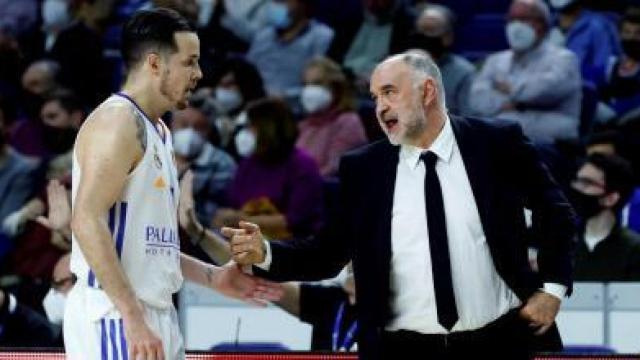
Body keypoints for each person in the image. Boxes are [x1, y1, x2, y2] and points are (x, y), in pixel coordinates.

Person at [223, 51, 577, 360]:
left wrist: (553, 290)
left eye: (389, 92)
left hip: (498, 341)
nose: (379, 107)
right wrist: (266, 254)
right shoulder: (363, 169)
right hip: (402, 349)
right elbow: (328, 252)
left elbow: (555, 212)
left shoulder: (496, 143)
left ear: (427, 92)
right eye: (375, 96)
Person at [64, 9, 281, 360]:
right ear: (154, 63)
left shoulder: (161, 131)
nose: (199, 73)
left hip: (153, 313)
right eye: (189, 62)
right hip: (116, 316)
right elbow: (86, 220)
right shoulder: (117, 121)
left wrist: (214, 279)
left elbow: (149, 247)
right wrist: (132, 317)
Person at [469, 0, 581, 144]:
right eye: (512, 20)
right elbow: (478, 100)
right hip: (505, 136)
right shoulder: (495, 60)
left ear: (543, 25)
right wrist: (519, 102)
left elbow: (541, 92)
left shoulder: (564, 59)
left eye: (524, 19)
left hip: (553, 140)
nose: (516, 26)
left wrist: (508, 90)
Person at [215, 98, 324, 240]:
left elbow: (294, 222)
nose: (244, 134)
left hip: (293, 246)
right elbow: (232, 207)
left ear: (267, 129)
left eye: (250, 127)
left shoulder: (302, 166)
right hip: (248, 241)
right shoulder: (248, 164)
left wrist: (240, 219)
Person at [569, 153, 640, 281]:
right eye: (577, 180)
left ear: (611, 198)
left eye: (587, 183)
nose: (577, 188)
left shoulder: (634, 249)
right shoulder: (562, 245)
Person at [296, 57, 368, 177]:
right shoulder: (303, 126)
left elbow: (334, 168)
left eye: (317, 83)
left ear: (335, 87)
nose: (309, 90)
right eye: (305, 84)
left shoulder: (348, 122)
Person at [246, 0, 334, 97]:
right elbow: (247, 71)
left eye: (282, 1)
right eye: (274, 1)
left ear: (302, 4)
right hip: (253, 100)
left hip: (292, 106)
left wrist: (284, 96)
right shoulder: (263, 34)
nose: (276, 6)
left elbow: (319, 84)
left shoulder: (322, 37)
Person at [409, 3, 475, 116]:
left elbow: (468, 121)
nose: (423, 36)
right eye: (420, 31)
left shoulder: (464, 73)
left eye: (430, 30)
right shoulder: (402, 67)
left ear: (448, 37)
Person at [549, 0, 621, 84]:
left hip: (585, 90)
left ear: (578, 7)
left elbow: (603, 70)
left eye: (568, 10)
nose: (562, 16)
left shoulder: (598, 27)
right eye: (560, 11)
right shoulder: (548, 22)